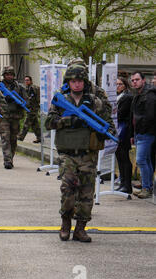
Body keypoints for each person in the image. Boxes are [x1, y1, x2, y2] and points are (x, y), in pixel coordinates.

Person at [44, 64, 116, 243]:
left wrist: (102, 132)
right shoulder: (61, 100)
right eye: (73, 81)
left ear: (85, 82)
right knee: (68, 189)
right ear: (69, 82)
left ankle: (81, 228)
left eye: (80, 81)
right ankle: (65, 224)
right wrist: (68, 121)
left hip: (88, 154)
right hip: (67, 153)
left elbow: (109, 125)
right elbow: (49, 123)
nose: (77, 84)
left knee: (86, 192)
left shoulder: (94, 102)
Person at [129, 71, 155, 199]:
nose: (134, 82)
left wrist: (142, 130)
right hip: (140, 133)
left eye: (137, 79)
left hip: (146, 133)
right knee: (147, 160)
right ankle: (148, 186)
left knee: (140, 160)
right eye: (133, 80)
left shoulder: (149, 95)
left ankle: (146, 188)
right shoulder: (138, 95)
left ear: (143, 80)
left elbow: (149, 116)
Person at [0, 65, 28, 169]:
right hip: (4, 116)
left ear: (13, 75)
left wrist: (19, 102)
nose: (9, 76)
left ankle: (11, 157)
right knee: (5, 137)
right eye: (7, 74)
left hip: (15, 116)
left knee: (13, 138)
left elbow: (26, 100)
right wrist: (5, 99)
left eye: (10, 74)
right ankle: (7, 160)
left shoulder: (19, 87)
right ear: (4, 75)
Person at [114, 77, 133, 194]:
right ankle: (122, 183)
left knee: (124, 157)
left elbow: (120, 114)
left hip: (124, 131)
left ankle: (127, 184)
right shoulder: (118, 97)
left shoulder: (127, 97)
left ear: (125, 85)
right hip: (118, 130)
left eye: (120, 84)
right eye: (116, 84)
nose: (117, 86)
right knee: (119, 157)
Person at [18, 75, 41, 143]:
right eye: (25, 80)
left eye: (27, 80)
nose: (26, 81)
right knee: (35, 124)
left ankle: (21, 137)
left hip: (32, 109)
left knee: (26, 123)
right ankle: (39, 137)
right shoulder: (28, 88)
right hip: (32, 108)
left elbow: (31, 99)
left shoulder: (32, 88)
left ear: (31, 81)